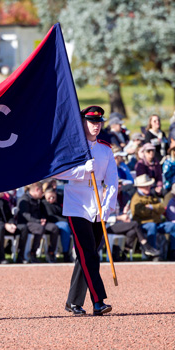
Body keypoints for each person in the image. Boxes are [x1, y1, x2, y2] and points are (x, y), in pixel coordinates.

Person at [53, 105, 117, 316]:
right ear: (82, 123)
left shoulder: (105, 149)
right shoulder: (72, 147)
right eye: (91, 122)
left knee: (87, 255)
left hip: (98, 206)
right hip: (77, 204)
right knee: (88, 253)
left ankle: (73, 302)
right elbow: (57, 172)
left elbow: (113, 181)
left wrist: (108, 205)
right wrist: (82, 170)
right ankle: (98, 301)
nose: (96, 126)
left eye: (98, 122)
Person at [130, 174, 175, 261]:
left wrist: (152, 207)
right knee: (151, 226)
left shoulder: (151, 196)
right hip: (143, 224)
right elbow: (141, 212)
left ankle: (173, 252)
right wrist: (154, 210)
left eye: (148, 186)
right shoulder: (136, 199)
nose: (148, 187)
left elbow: (162, 207)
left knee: (173, 226)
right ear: (140, 187)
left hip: (157, 223)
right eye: (145, 186)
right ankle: (152, 253)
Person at [17, 182, 61, 263]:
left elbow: (42, 212)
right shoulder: (24, 199)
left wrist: (43, 218)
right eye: (42, 191)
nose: (43, 193)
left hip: (39, 222)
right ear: (37, 190)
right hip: (27, 222)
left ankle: (51, 252)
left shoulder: (38, 200)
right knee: (39, 229)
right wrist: (38, 221)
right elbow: (26, 215)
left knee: (54, 228)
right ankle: (33, 253)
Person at [42, 188, 72, 262]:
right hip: (51, 222)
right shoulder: (44, 203)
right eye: (49, 197)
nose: (51, 199)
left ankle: (73, 252)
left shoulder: (58, 203)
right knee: (65, 227)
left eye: (53, 197)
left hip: (61, 221)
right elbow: (51, 216)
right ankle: (65, 253)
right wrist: (66, 221)